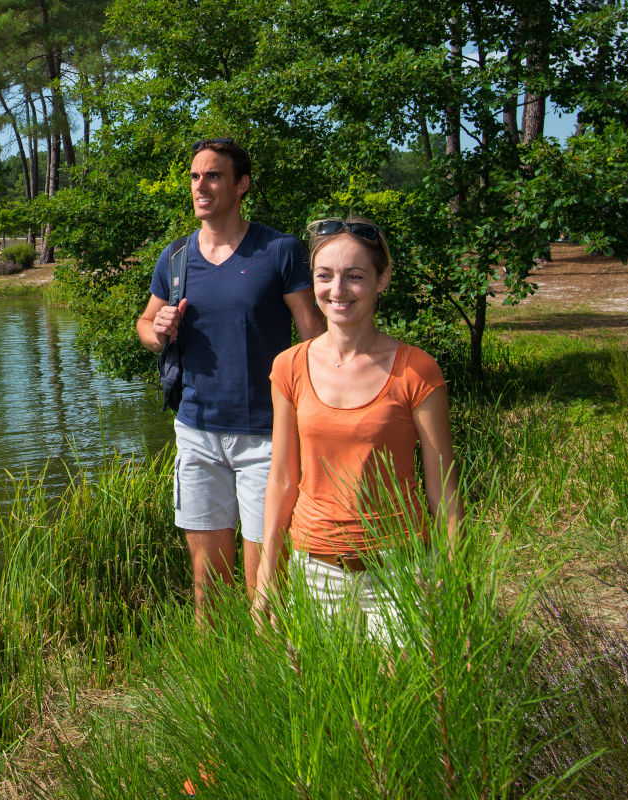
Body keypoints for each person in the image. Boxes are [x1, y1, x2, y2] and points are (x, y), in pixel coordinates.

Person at [136, 138, 325, 625]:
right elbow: (144, 325)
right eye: (196, 177)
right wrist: (158, 333)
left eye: (214, 176)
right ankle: (211, 689)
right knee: (207, 586)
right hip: (196, 433)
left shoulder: (279, 251)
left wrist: (323, 413)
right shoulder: (175, 258)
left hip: (268, 436)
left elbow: (314, 337)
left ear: (241, 185)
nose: (202, 186)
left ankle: (268, 682)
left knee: (266, 585)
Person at [250, 216, 464, 639]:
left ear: (382, 279)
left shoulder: (416, 370)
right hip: (315, 575)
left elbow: (443, 487)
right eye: (325, 276)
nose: (337, 290)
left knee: (405, 695)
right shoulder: (288, 366)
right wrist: (266, 580)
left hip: (400, 572)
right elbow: (281, 479)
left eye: (355, 276)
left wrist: (455, 577)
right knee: (320, 699)